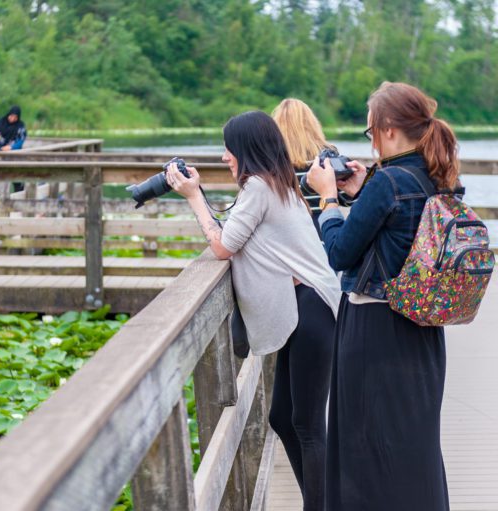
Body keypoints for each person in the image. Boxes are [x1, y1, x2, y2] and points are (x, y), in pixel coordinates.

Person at [168, 111, 341, 511]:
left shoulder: (262, 187)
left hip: (312, 307)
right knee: (283, 417)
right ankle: (324, 501)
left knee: (309, 425)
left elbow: (224, 246)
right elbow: (238, 237)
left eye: (229, 147)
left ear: (245, 149)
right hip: (306, 307)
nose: (225, 155)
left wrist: (194, 197)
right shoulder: (276, 184)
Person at [306, 81, 455, 511]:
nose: (370, 141)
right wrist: (360, 190)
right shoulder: (437, 176)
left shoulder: (387, 182)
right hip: (423, 332)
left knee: (366, 447)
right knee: (415, 445)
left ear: (389, 129)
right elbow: (400, 233)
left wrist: (329, 199)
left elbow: (339, 253)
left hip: (375, 332)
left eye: (370, 131)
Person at [272, 98, 336, 236]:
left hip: (285, 232)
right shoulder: (327, 154)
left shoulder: (271, 157)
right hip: (322, 229)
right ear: (311, 123)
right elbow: (343, 197)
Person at [0, 106, 27, 192]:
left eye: (15, 117)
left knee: (16, 176)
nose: (12, 118)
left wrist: (11, 147)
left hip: (14, 155)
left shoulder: (20, 126)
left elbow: (21, 140)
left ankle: (18, 195)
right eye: (11, 116)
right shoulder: (1, 122)